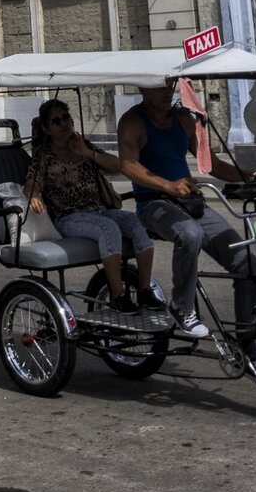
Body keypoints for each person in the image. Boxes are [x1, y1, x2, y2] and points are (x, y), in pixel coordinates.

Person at [118, 85, 256, 388]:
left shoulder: (184, 120)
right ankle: (181, 307)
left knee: (248, 261)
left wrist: (253, 177)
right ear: (142, 88)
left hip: (190, 202)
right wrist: (166, 186)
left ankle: (251, 352)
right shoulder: (133, 121)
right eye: (158, 86)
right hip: (154, 205)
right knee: (189, 234)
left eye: (170, 85)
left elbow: (213, 165)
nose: (167, 91)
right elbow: (127, 165)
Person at [21, 100, 161, 324]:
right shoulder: (43, 155)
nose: (64, 124)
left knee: (137, 223)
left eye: (66, 117)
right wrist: (34, 196)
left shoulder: (82, 144)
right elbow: (31, 184)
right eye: (56, 121)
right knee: (109, 229)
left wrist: (88, 153)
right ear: (47, 129)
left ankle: (144, 290)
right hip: (69, 218)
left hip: (99, 211)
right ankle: (118, 295)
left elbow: (118, 165)